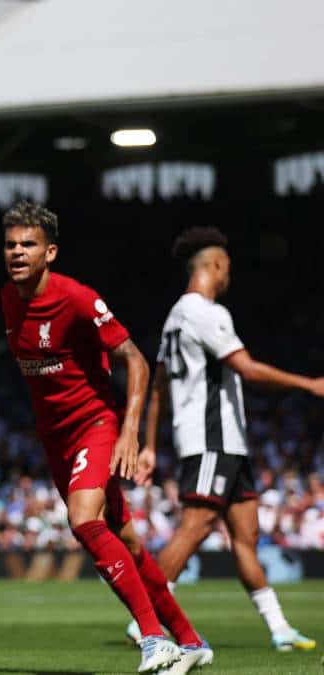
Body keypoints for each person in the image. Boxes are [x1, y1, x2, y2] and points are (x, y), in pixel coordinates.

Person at [0, 203, 209, 674]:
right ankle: (192, 641)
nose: (17, 252)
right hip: (54, 440)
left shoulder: (77, 298)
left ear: (50, 252)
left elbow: (136, 359)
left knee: (83, 521)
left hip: (95, 424)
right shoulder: (9, 299)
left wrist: (128, 431)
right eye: (10, 244)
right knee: (127, 542)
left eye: (28, 244)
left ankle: (154, 638)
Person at [128, 226, 323, 652]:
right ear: (216, 265)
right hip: (211, 438)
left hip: (226, 443)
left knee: (246, 535)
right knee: (196, 526)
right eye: (227, 267)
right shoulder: (206, 312)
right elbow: (248, 370)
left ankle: (279, 629)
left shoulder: (174, 317)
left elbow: (158, 384)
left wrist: (151, 444)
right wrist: (310, 385)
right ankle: (145, 618)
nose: (229, 275)